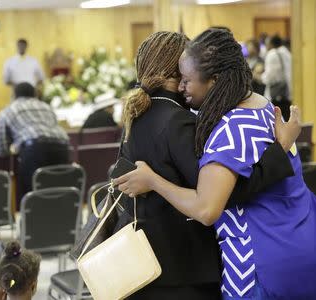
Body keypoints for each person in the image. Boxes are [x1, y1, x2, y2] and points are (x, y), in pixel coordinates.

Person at [114, 29, 316, 299]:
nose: (185, 87)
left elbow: (212, 200)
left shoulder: (139, 115)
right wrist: (279, 151)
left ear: (213, 79)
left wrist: (153, 181)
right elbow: (218, 198)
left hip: (253, 263)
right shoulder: (264, 109)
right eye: (182, 78)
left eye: (189, 79)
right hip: (288, 246)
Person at [0, 82, 69, 206]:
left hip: (35, 148)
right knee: (59, 190)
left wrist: (14, 148)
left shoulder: (8, 111)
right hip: (62, 147)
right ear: (35, 94)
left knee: (35, 195)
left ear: (14, 95)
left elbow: (0, 148)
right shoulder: (46, 107)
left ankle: (38, 222)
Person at [261, 35, 292, 120]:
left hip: (276, 95)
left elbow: (269, 77)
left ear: (271, 44)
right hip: (287, 93)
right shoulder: (287, 53)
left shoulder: (272, 54)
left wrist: (260, 77)